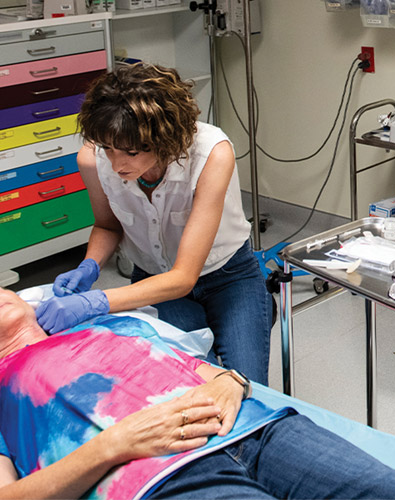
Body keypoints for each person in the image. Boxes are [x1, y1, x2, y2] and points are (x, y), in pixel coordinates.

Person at [0, 276, 395, 500]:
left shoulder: (115, 327)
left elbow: (207, 372)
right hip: (156, 478)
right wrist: (114, 445)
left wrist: (233, 382)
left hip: (258, 433)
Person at [35, 63, 273, 385]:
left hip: (228, 278)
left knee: (245, 386)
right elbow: (107, 225)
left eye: (131, 152)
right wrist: (89, 266)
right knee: (181, 380)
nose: (117, 164)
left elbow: (184, 276)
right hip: (153, 280)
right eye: (108, 148)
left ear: (165, 140)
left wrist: (97, 301)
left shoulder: (211, 154)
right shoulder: (93, 159)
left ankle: (253, 308)